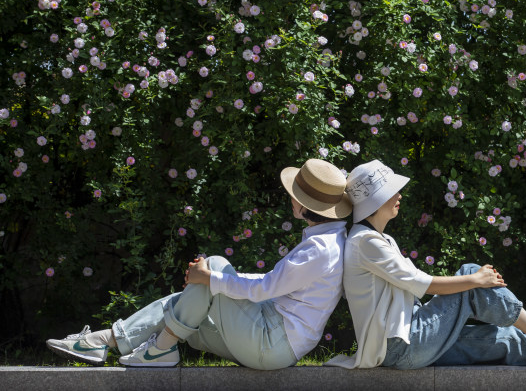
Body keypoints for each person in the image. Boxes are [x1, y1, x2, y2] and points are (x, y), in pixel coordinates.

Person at [325, 160, 526, 370]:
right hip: (402, 345)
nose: (400, 195)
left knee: (503, 339)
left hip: (406, 343)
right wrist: (477, 281)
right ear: (376, 199)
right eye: (393, 191)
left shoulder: (375, 240)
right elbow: (424, 284)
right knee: (471, 273)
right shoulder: (365, 242)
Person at [46, 158, 352, 369]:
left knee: (214, 266)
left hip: (272, 343)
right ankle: (110, 341)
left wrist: (210, 278)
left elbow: (265, 288)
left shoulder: (320, 248)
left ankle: (149, 347)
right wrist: (206, 281)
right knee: (187, 307)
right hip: (269, 337)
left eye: (294, 194)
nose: (290, 198)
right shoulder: (325, 240)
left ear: (305, 204)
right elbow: (272, 283)